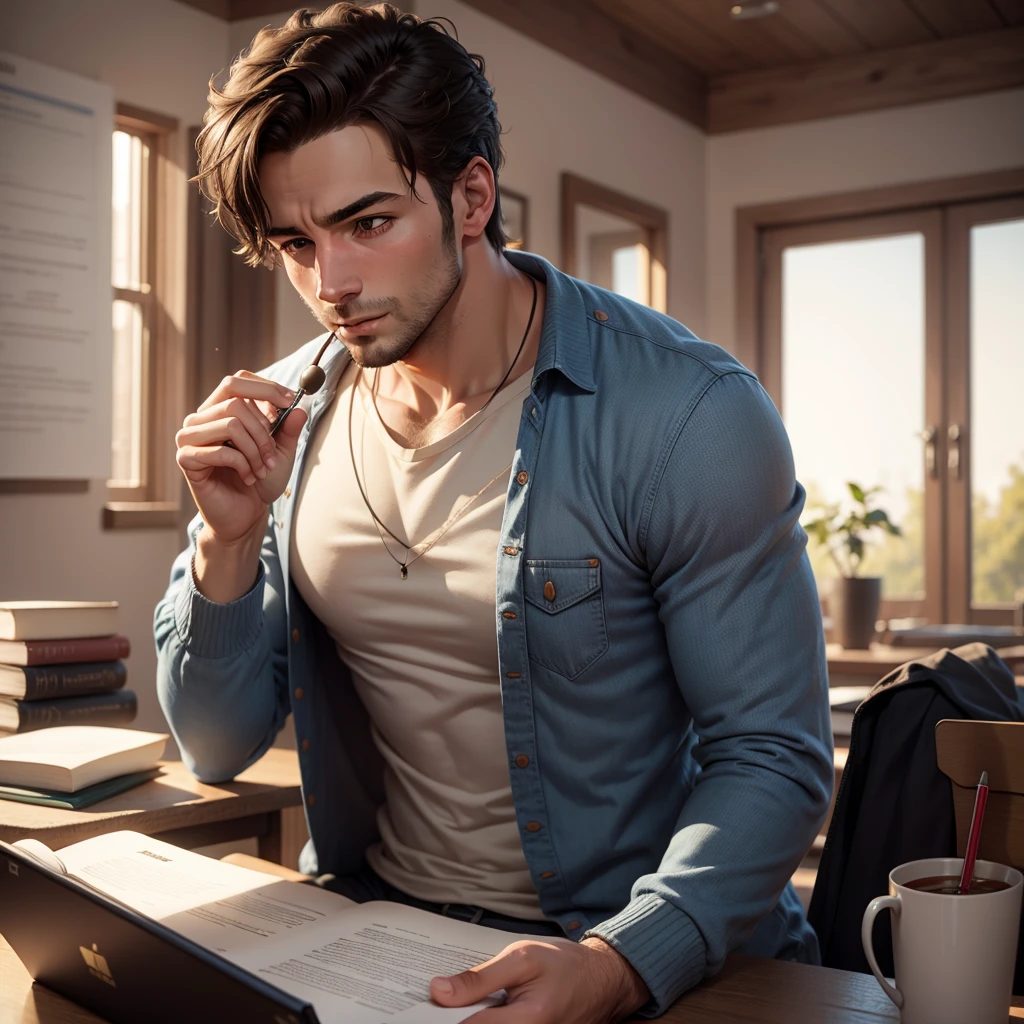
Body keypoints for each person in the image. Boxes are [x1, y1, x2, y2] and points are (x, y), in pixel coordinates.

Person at [155, 4, 833, 1021]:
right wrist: (229, 541)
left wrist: (617, 963)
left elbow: (772, 757)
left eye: (368, 223)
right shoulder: (282, 419)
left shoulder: (687, 413)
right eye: (295, 242)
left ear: (471, 196)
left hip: (636, 951)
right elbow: (215, 745)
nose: (330, 283)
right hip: (380, 936)